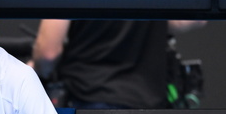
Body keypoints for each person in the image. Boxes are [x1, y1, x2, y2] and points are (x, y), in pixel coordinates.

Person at [31, 19, 205, 109]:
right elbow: (195, 16)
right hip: (150, 104)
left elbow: (48, 54)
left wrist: (35, 70)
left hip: (87, 102)